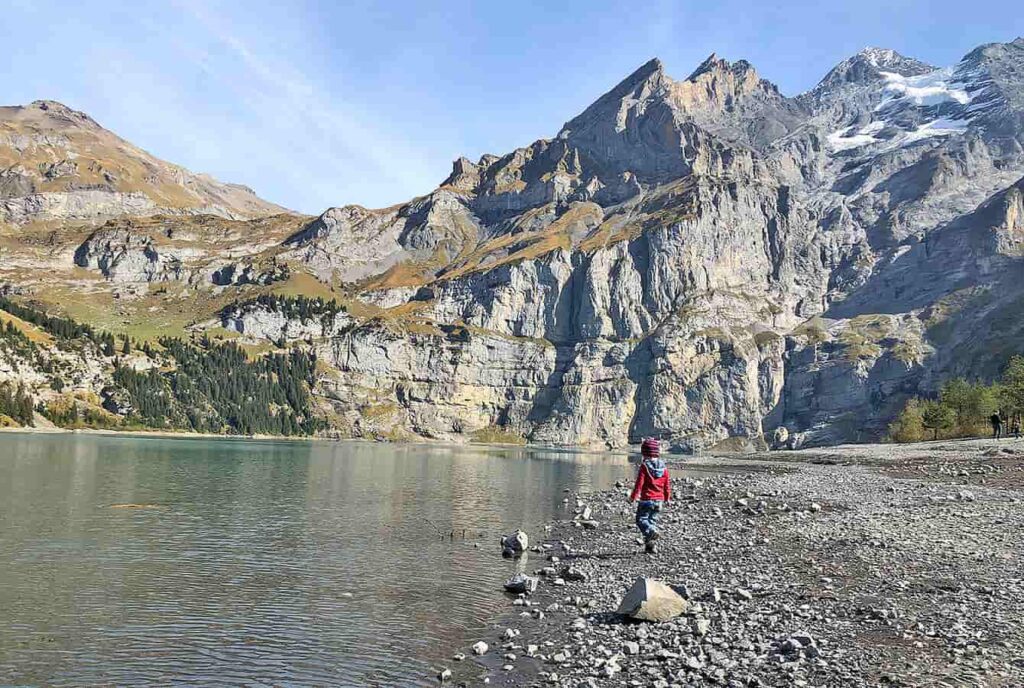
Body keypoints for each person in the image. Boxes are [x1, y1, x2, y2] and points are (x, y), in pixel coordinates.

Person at [629, 438, 671, 554]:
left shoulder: (644, 466)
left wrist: (633, 497)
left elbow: (639, 483)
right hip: (659, 500)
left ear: (644, 453)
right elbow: (666, 484)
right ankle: (650, 547)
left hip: (647, 499)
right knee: (651, 521)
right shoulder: (663, 467)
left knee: (641, 520)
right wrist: (667, 497)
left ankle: (651, 531)